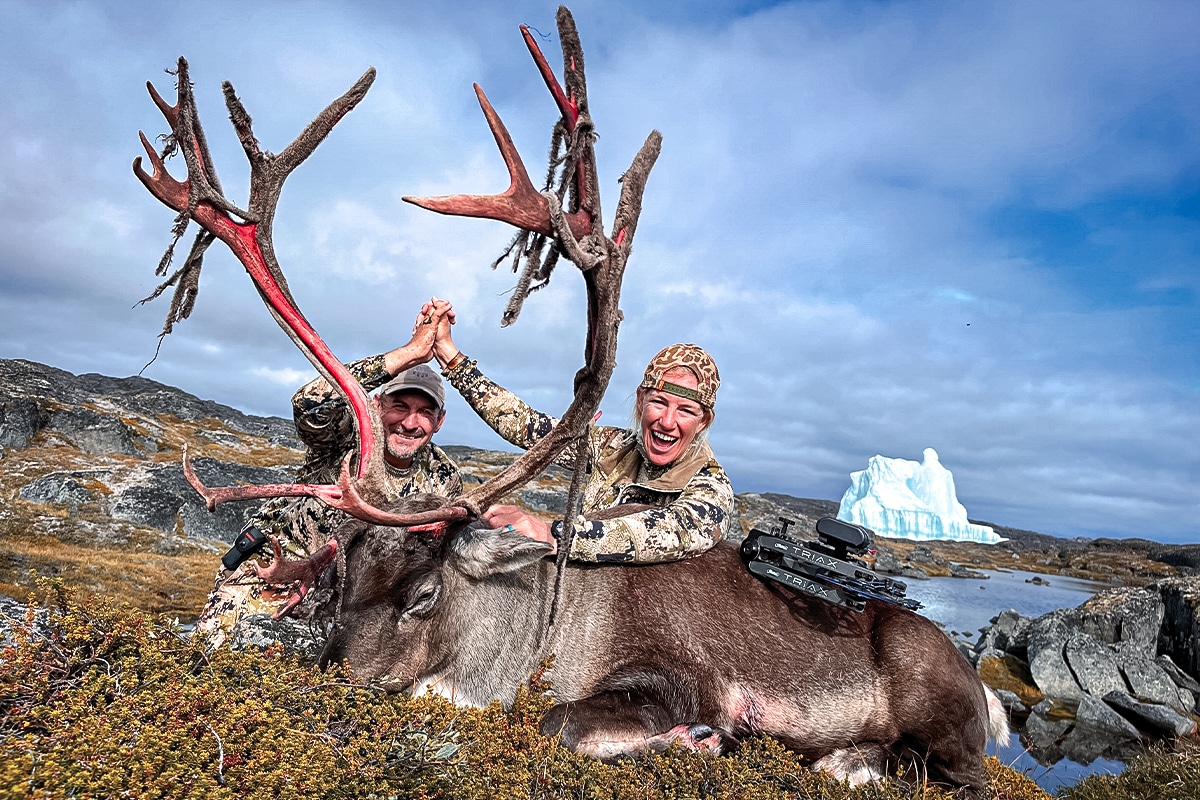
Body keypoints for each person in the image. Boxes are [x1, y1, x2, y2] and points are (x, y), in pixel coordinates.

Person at [195, 300, 463, 647]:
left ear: (440, 421)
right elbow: (309, 403)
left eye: (424, 412)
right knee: (213, 665)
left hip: (355, 600)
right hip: (272, 577)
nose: (410, 423)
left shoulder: (444, 478)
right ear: (378, 404)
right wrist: (410, 354)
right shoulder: (341, 436)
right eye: (400, 406)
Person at [430, 306, 734, 563]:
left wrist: (551, 533)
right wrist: (451, 357)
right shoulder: (612, 447)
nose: (667, 422)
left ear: (703, 420)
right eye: (659, 403)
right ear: (641, 402)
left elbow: (670, 531)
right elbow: (525, 425)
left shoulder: (710, 486)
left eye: (685, 411)